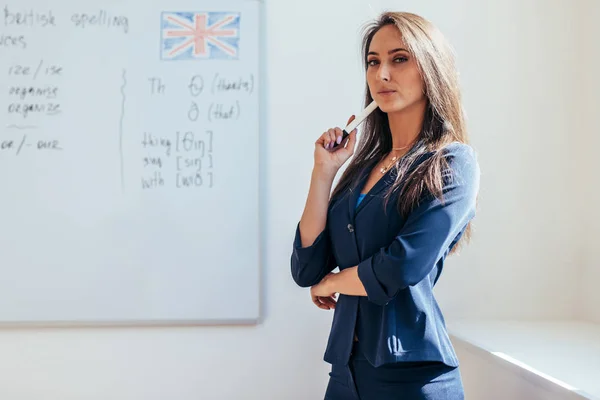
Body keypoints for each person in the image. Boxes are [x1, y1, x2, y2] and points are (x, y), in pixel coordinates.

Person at [290, 10, 480, 400]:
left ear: (430, 68)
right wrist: (323, 173)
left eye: (399, 59)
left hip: (412, 379)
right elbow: (307, 267)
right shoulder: (361, 167)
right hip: (345, 374)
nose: (382, 74)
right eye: (373, 62)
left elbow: (401, 264)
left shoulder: (452, 162)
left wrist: (333, 283)